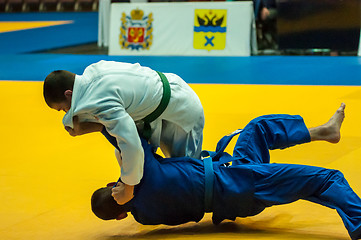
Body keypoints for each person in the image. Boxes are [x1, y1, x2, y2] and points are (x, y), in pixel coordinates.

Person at [91, 103, 361, 240]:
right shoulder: (142, 176)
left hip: (233, 184)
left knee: (257, 130)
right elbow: (125, 136)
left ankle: (323, 132)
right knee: (328, 179)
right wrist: (94, 120)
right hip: (240, 183)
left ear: (120, 216)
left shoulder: (144, 218)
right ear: (111, 184)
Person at [43, 60, 204, 205]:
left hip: (181, 111)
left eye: (63, 108)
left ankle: (212, 195)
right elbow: (109, 113)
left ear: (68, 94)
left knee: (187, 174)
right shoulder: (93, 71)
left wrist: (128, 190)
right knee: (121, 154)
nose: (67, 111)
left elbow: (131, 144)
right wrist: (85, 128)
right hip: (163, 99)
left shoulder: (97, 100)